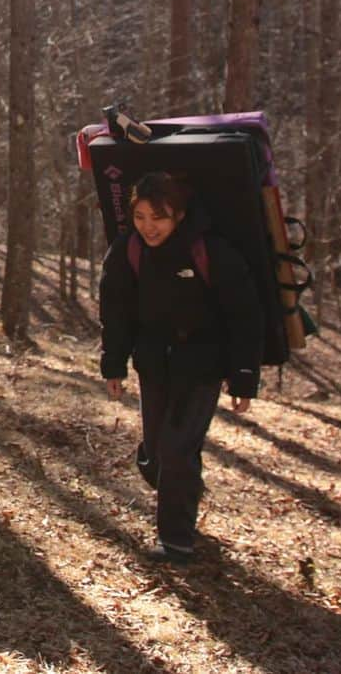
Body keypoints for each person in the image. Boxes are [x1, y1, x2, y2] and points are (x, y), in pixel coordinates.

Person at [99, 171, 263, 563]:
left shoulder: (211, 252)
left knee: (176, 450)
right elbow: (116, 311)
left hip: (203, 364)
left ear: (180, 215)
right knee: (158, 457)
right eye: (140, 216)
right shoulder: (128, 251)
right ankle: (181, 487)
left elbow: (245, 315)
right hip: (154, 362)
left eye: (159, 217)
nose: (148, 227)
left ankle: (176, 542)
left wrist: (243, 376)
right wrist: (113, 364)